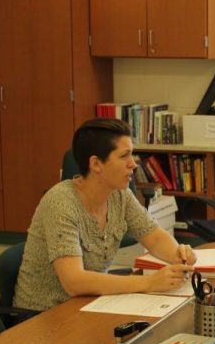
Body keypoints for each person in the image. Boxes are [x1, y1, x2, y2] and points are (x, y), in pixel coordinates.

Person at [14, 118, 196, 311]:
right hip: (42, 315)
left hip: (90, 303)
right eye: (124, 156)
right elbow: (74, 282)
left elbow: (154, 237)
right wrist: (150, 283)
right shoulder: (61, 203)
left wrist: (179, 256)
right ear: (96, 164)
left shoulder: (119, 194)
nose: (133, 164)